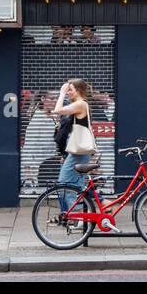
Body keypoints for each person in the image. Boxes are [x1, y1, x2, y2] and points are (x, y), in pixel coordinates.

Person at [53, 79, 95, 208]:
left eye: (71, 90)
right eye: (68, 90)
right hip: (77, 152)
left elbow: (57, 110)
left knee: (64, 184)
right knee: (76, 186)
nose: (68, 92)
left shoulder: (81, 104)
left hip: (79, 153)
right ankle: (81, 216)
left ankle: (78, 217)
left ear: (79, 90)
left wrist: (61, 92)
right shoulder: (80, 104)